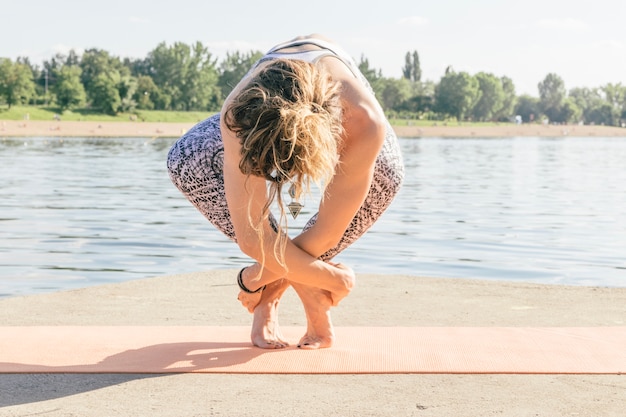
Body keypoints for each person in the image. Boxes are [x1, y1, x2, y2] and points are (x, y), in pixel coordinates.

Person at [167, 34, 404, 349]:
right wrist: (334, 279)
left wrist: (253, 278)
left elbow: (327, 234)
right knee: (186, 158)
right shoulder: (239, 117)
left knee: (386, 174)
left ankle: (270, 292)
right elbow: (252, 237)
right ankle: (303, 292)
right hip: (262, 116)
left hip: (343, 118)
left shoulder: (363, 121)